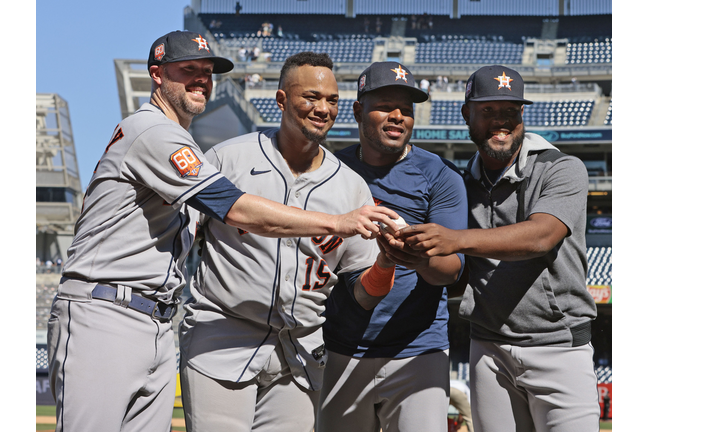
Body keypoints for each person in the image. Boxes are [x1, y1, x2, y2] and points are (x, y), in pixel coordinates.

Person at [47, 32, 398, 432]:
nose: (201, 80)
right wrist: (336, 222)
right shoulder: (153, 132)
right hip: (107, 309)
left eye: (207, 72)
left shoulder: (183, 142)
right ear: (156, 75)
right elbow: (234, 207)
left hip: (159, 320)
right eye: (188, 71)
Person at [177, 52, 399, 432]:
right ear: (281, 100)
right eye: (310, 97)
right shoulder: (227, 158)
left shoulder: (351, 186)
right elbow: (180, 239)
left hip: (299, 352)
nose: (323, 108)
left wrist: (387, 262)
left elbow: (364, 294)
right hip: (223, 336)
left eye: (332, 100)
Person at [392, 65, 600, 432]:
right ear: (466, 114)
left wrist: (455, 239)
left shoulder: (562, 167)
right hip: (488, 348)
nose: (501, 122)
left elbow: (541, 236)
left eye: (510, 112)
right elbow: (455, 271)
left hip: (559, 346)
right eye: (488, 111)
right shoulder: (458, 182)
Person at [317, 61, 468, 432]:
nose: (398, 116)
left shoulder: (440, 176)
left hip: (418, 350)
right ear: (357, 110)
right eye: (385, 105)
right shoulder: (329, 171)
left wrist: (412, 257)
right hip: (340, 347)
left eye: (407, 109)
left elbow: (452, 270)